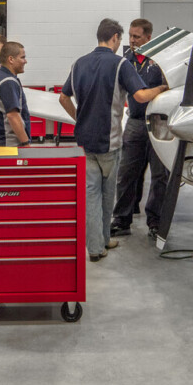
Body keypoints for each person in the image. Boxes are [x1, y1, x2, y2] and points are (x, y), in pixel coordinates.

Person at [59, 18, 169, 262]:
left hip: (85, 141)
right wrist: (161, 89)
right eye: (125, 37)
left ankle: (100, 241)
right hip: (110, 142)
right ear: (115, 38)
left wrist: (79, 119)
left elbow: (63, 98)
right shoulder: (121, 64)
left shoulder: (78, 63)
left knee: (91, 194)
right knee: (107, 194)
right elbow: (140, 96)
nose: (127, 42)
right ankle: (98, 245)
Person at [111, 19, 170, 239]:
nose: (132, 41)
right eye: (130, 36)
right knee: (126, 173)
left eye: (137, 37)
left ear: (148, 37)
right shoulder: (126, 61)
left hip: (159, 123)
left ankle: (155, 223)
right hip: (135, 122)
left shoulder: (161, 62)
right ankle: (121, 220)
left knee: (160, 175)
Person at [0, 41, 32, 147]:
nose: (25, 61)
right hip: (8, 145)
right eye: (22, 57)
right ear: (11, 59)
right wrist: (26, 143)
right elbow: (13, 115)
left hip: (2, 143)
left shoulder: (1, 76)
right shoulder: (7, 82)